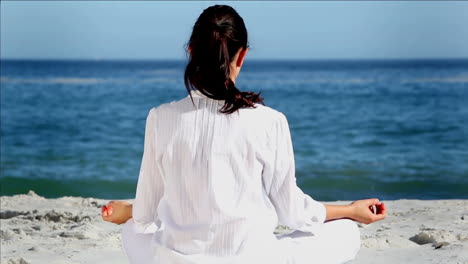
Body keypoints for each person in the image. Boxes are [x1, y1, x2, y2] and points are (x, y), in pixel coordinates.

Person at [101, 5, 386, 264]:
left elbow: (147, 215)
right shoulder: (270, 121)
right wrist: (350, 209)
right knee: (346, 231)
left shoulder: (159, 117)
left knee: (133, 230)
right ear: (243, 55)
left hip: (177, 260)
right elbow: (293, 214)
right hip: (253, 259)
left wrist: (130, 213)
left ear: (190, 52)